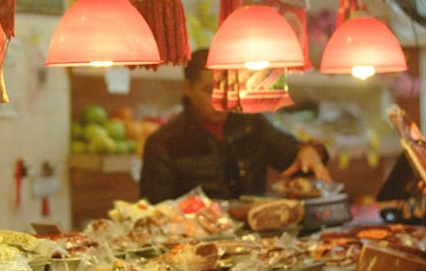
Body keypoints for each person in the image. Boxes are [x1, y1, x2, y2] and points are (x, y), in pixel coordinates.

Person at [139, 48, 331, 203]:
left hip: (257, 241)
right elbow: (154, 212)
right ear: (188, 89)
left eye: (227, 89)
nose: (220, 100)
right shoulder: (163, 142)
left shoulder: (251, 124)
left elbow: (291, 157)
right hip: (194, 244)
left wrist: (310, 151)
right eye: (209, 90)